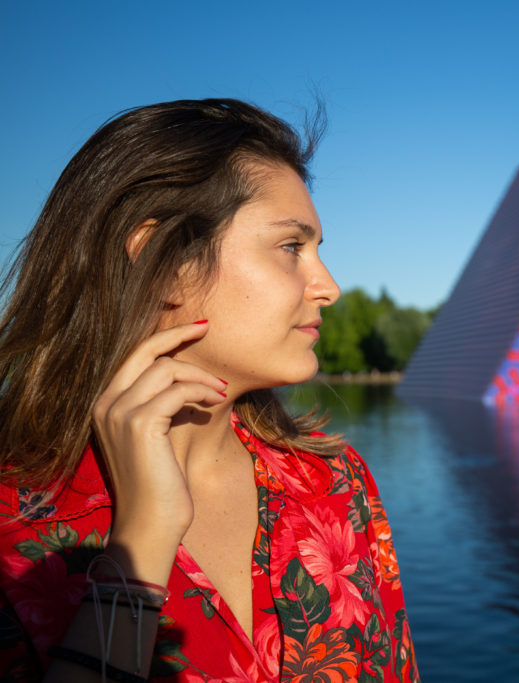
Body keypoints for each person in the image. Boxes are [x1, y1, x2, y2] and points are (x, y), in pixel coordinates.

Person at [0, 99, 419, 681]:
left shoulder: (334, 484)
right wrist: (141, 542)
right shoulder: (13, 533)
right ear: (163, 260)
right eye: (292, 247)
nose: (329, 287)